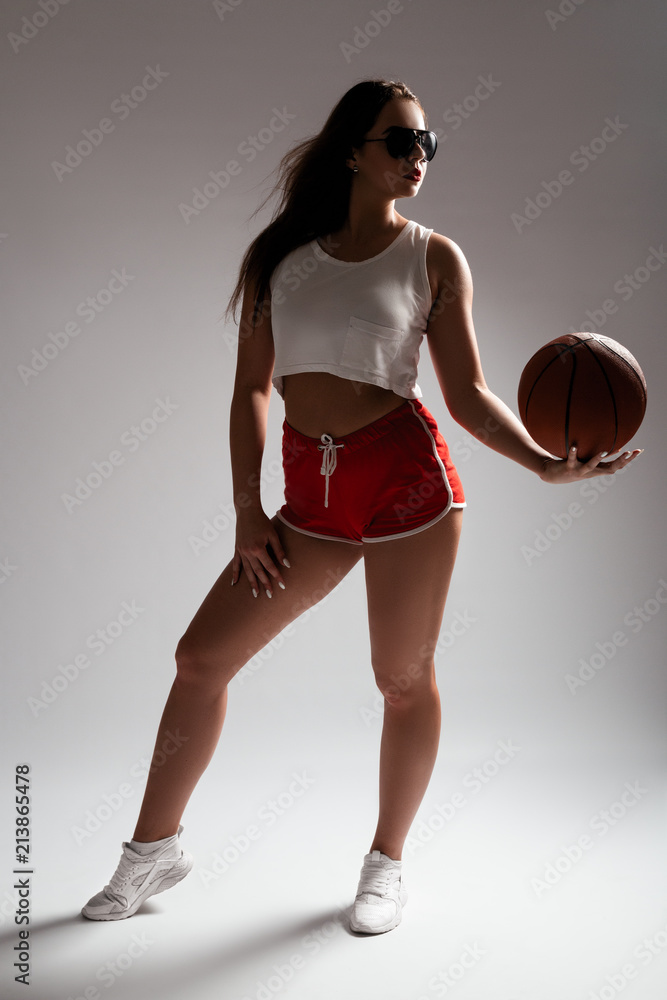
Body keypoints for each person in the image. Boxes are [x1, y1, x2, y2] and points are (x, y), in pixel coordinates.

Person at [81, 79, 642, 934]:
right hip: (309, 497)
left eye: (426, 144)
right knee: (199, 659)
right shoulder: (282, 263)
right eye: (398, 142)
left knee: (400, 680)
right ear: (352, 150)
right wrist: (245, 508)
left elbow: (467, 393)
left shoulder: (434, 257)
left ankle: (386, 865)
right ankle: (151, 853)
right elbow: (251, 392)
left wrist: (540, 464)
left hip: (407, 489)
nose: (416, 158)